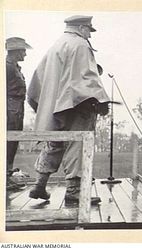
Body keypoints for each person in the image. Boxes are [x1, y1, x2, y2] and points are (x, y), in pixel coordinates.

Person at [27, 15, 110, 205]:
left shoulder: (56, 45)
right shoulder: (80, 44)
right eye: (89, 29)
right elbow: (87, 76)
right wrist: (101, 100)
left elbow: (38, 78)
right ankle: (74, 191)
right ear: (81, 27)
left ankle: (39, 185)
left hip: (55, 105)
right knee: (77, 144)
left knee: (54, 143)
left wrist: (44, 104)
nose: (90, 33)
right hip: (77, 104)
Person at [6, 37, 32, 191]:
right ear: (16, 51)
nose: (25, 54)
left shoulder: (14, 67)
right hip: (9, 109)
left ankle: (8, 174)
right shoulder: (7, 67)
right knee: (8, 142)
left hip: (16, 108)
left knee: (13, 142)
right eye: (23, 51)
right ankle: (5, 177)